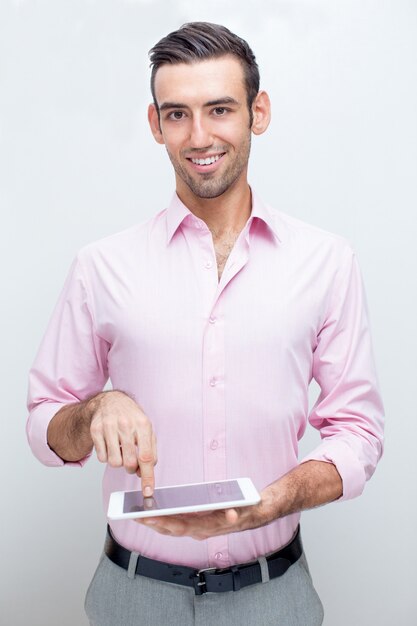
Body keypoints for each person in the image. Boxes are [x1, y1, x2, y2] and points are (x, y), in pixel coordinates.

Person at [27, 22, 384, 626]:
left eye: (220, 109)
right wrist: (94, 410)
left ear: (258, 111)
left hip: (276, 595)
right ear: (154, 123)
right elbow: (45, 428)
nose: (199, 136)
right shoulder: (101, 266)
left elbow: (359, 431)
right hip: (132, 596)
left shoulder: (327, 262)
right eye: (177, 114)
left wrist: (276, 501)